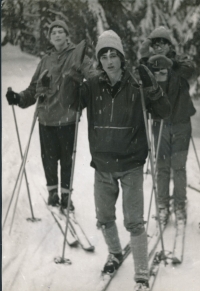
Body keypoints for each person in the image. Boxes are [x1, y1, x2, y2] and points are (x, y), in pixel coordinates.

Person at [80, 30, 170, 291]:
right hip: (103, 165)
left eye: (113, 55)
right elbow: (71, 105)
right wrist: (68, 83)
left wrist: (153, 89)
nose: (109, 61)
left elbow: (164, 111)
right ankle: (115, 252)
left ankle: (141, 273)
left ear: (121, 57)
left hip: (131, 163)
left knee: (134, 220)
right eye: (104, 56)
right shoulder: (92, 85)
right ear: (100, 60)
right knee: (104, 216)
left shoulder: (136, 83)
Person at [6, 20, 95, 211]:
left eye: (60, 31)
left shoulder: (76, 55)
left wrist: (85, 86)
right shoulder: (45, 60)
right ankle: (53, 193)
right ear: (50, 37)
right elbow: (32, 89)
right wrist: (18, 98)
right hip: (46, 117)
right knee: (48, 158)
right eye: (53, 31)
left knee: (67, 159)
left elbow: (93, 77)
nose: (57, 34)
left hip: (68, 117)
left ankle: (66, 196)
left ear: (67, 34)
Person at [139, 26, 196, 225]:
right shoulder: (149, 65)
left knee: (178, 166)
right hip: (159, 122)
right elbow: (138, 78)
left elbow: (190, 70)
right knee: (162, 166)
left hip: (180, 122)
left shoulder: (180, 61)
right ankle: (162, 205)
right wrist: (144, 58)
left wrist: (170, 64)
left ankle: (180, 204)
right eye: (155, 44)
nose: (159, 47)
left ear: (169, 45)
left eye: (162, 43)